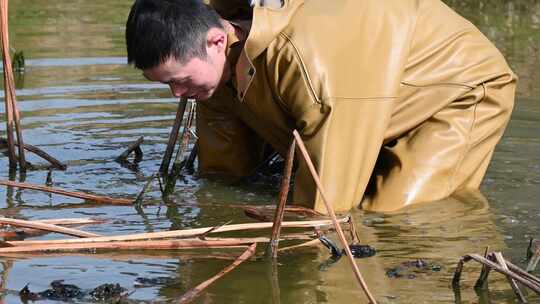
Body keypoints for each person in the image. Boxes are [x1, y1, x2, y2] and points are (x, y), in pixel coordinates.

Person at [125, 0, 516, 214]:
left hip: (456, 94)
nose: (176, 94)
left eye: (178, 80)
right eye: (165, 84)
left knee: (391, 214)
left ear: (215, 40)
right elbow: (227, 171)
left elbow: (324, 210)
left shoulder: (309, 64)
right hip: (363, 93)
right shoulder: (214, 70)